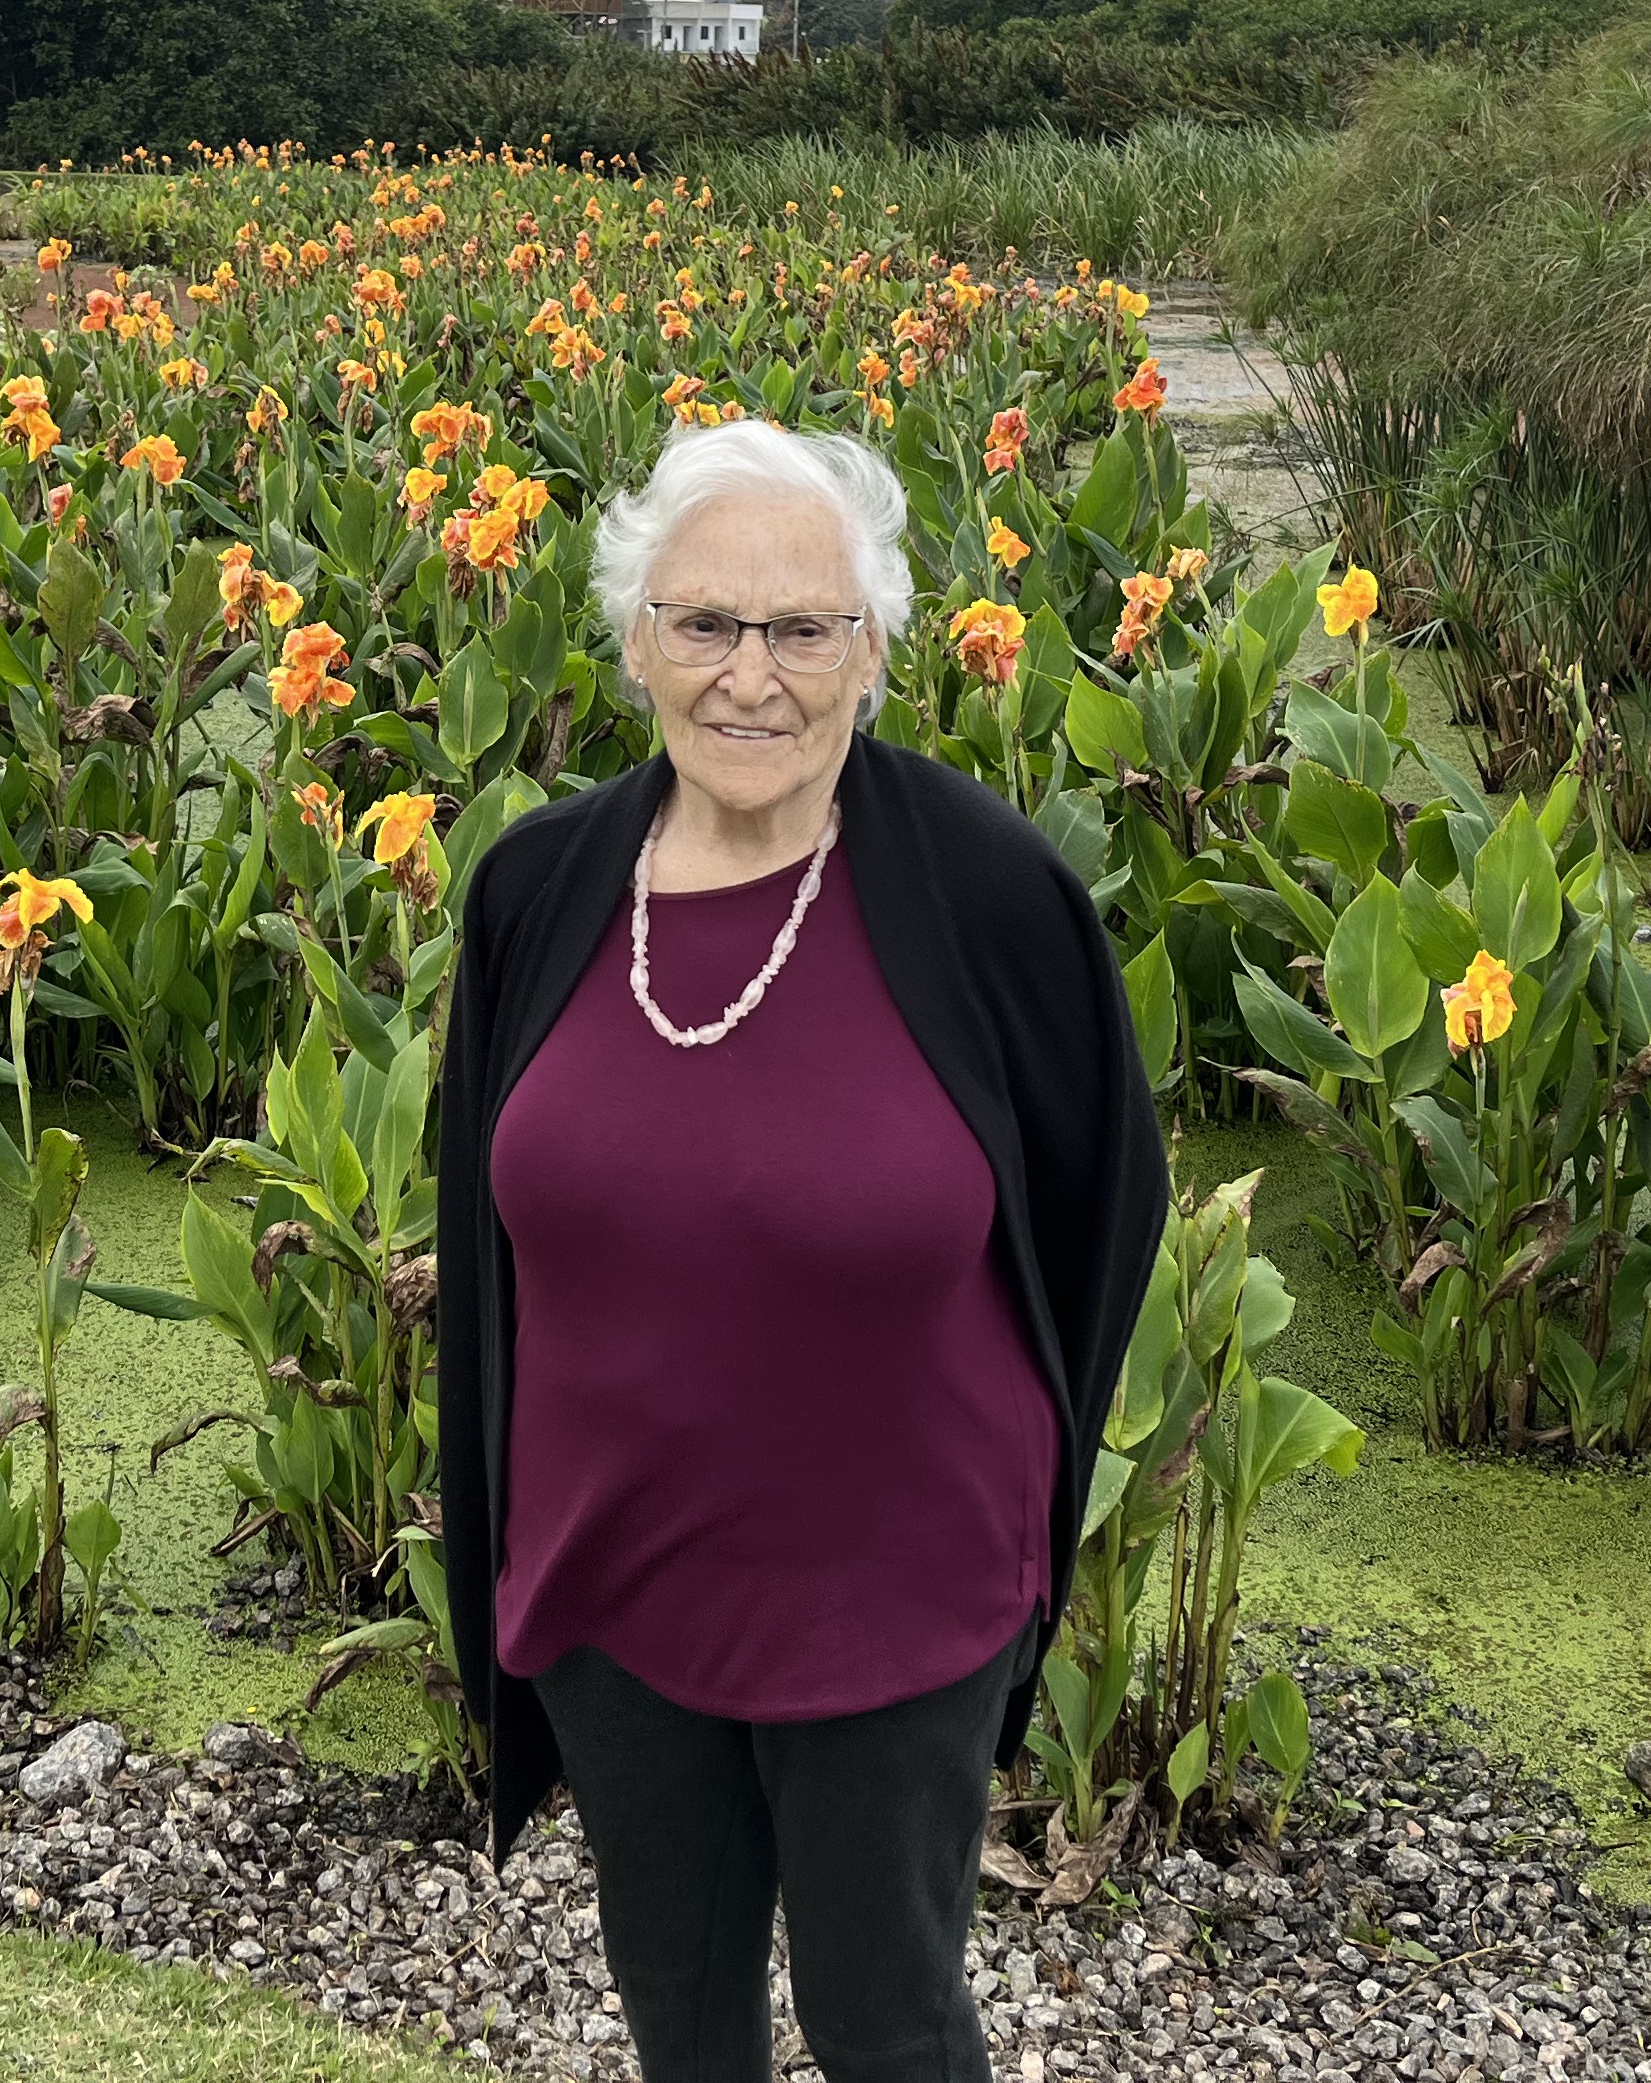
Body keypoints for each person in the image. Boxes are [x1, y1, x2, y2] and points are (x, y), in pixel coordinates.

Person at [438, 422, 1167, 2083]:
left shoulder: (994, 899)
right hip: (614, 1584)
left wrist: (1023, 1512)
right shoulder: (537, 891)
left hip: (895, 1604)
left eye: (803, 629)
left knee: (886, 2026)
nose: (749, 676)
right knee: (679, 2015)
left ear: (875, 653)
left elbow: (1095, 1204)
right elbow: (487, 1236)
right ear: (635, 642)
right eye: (704, 622)